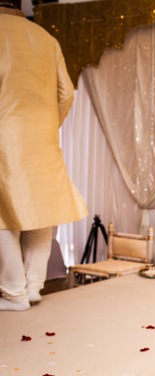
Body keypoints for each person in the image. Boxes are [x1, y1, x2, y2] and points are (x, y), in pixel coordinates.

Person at [0, 0, 88, 311]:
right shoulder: (45, 38)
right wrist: (49, 122)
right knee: (42, 206)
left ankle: (14, 293)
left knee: (2, 215)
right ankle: (34, 284)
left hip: (3, 131)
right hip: (42, 132)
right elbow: (66, 93)